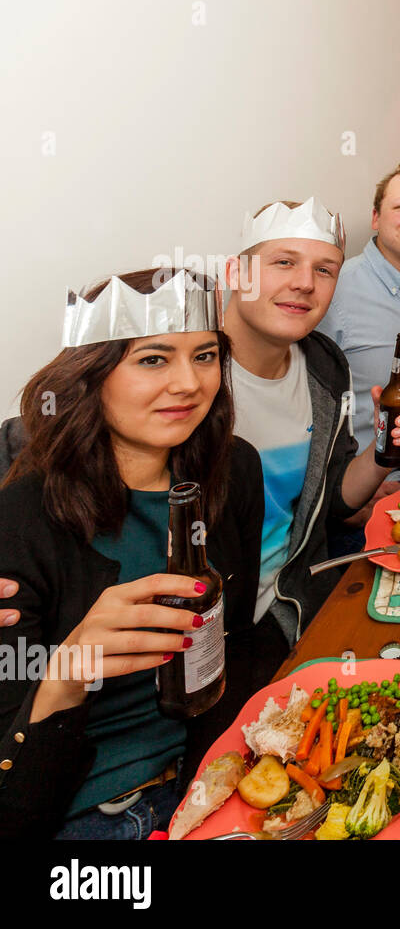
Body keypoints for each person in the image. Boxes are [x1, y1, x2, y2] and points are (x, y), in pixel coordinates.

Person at [0, 268, 263, 838]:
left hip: (214, 776)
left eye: (206, 356)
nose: (189, 384)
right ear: (90, 375)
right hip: (88, 810)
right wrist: (66, 674)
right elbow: (13, 801)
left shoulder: (233, 470)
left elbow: (233, 641)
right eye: (153, 359)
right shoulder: (21, 518)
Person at [223, 198, 400, 649]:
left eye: (324, 270)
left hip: (303, 600)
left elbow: (333, 500)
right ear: (235, 274)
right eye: (284, 262)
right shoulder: (190, 382)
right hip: (223, 635)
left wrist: (384, 445)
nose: (304, 284)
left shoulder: (323, 363)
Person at [318, 159, 400, 482]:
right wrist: (346, 499)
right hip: (371, 488)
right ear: (376, 218)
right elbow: (307, 414)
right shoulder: (334, 291)